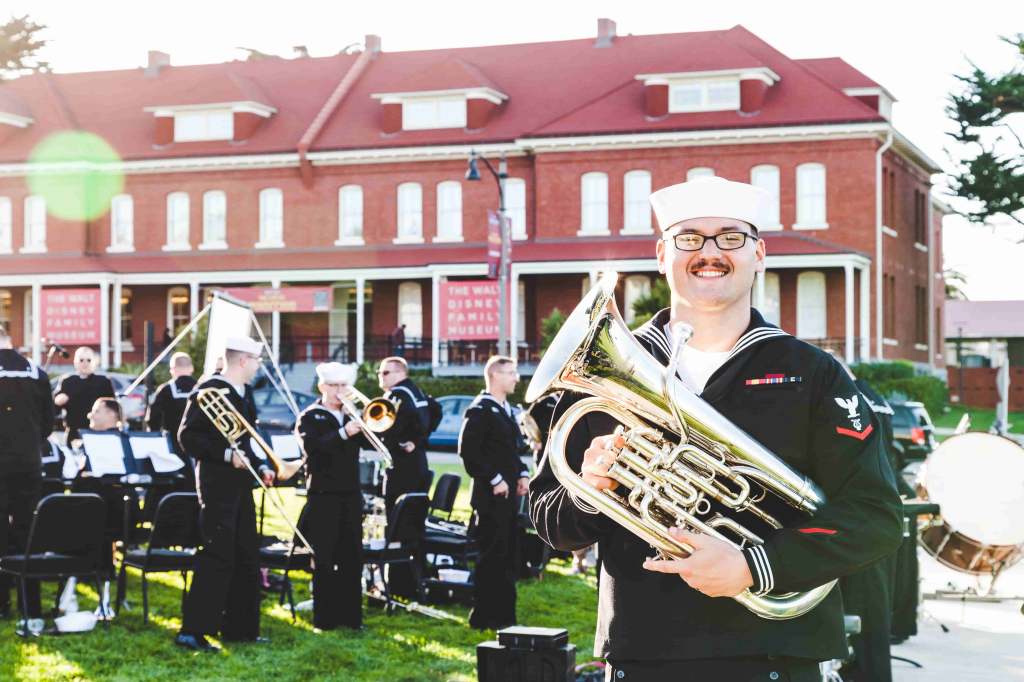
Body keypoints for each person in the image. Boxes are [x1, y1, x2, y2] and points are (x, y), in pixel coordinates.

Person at [529, 176, 903, 681]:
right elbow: (550, 522)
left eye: (730, 237)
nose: (709, 252)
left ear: (758, 254)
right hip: (645, 656)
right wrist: (590, 492)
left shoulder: (814, 373)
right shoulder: (601, 374)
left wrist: (755, 565)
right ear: (663, 255)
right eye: (690, 239)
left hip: (777, 659)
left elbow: (874, 519)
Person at [175, 336, 275, 652]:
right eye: (255, 360)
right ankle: (193, 630)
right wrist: (224, 455)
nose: (258, 367)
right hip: (217, 484)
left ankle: (240, 627)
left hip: (241, 484)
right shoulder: (208, 390)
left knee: (246, 553)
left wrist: (261, 465)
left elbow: (246, 441)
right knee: (216, 554)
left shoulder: (243, 394)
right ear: (243, 360)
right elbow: (187, 437)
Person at [459, 356, 530, 630]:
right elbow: (468, 452)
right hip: (491, 498)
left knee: (507, 556)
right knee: (490, 557)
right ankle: (484, 617)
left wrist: (522, 473)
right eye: (511, 373)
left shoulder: (505, 409)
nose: (516, 378)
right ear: (496, 376)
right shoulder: (480, 409)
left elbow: (510, 451)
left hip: (508, 497)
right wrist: (495, 479)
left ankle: (504, 617)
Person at [294, 362, 366, 630]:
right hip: (323, 494)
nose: (339, 391)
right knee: (324, 557)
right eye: (334, 386)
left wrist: (362, 423)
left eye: (344, 386)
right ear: (322, 387)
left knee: (352, 556)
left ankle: (352, 618)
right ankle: (325, 619)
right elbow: (313, 448)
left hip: (351, 492)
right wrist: (343, 433)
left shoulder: (351, 415)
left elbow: (373, 439)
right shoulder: (311, 416)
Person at [0, 325, 53, 633]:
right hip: (28, 464)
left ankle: (1, 602)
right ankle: (29, 604)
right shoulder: (36, 372)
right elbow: (48, 425)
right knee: (26, 533)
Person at [68, 397, 133, 619]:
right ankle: (73, 589)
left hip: (111, 505)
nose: (90, 415)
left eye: (96, 411)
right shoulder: (85, 441)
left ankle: (103, 595)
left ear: (112, 415)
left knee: (104, 535)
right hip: (86, 504)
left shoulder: (124, 441)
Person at [376, 356, 431, 520]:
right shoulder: (416, 391)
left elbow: (388, 429)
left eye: (385, 372)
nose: (381, 376)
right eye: (379, 372)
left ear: (401, 373)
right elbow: (435, 411)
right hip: (418, 462)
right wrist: (416, 440)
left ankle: (396, 545)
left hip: (401, 465)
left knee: (396, 517)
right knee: (412, 517)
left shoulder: (395, 395)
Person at [146, 352, 198, 498]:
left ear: (172, 369)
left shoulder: (165, 390)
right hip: (199, 446)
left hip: (172, 447)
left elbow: (152, 419)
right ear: (191, 368)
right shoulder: (202, 388)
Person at [54, 347, 115, 443]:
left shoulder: (103, 381)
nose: (85, 363)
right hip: (74, 431)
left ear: (94, 362)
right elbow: (54, 410)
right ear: (75, 362)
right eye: (81, 360)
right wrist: (58, 401)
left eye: (89, 360)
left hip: (97, 431)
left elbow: (112, 407)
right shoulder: (67, 381)